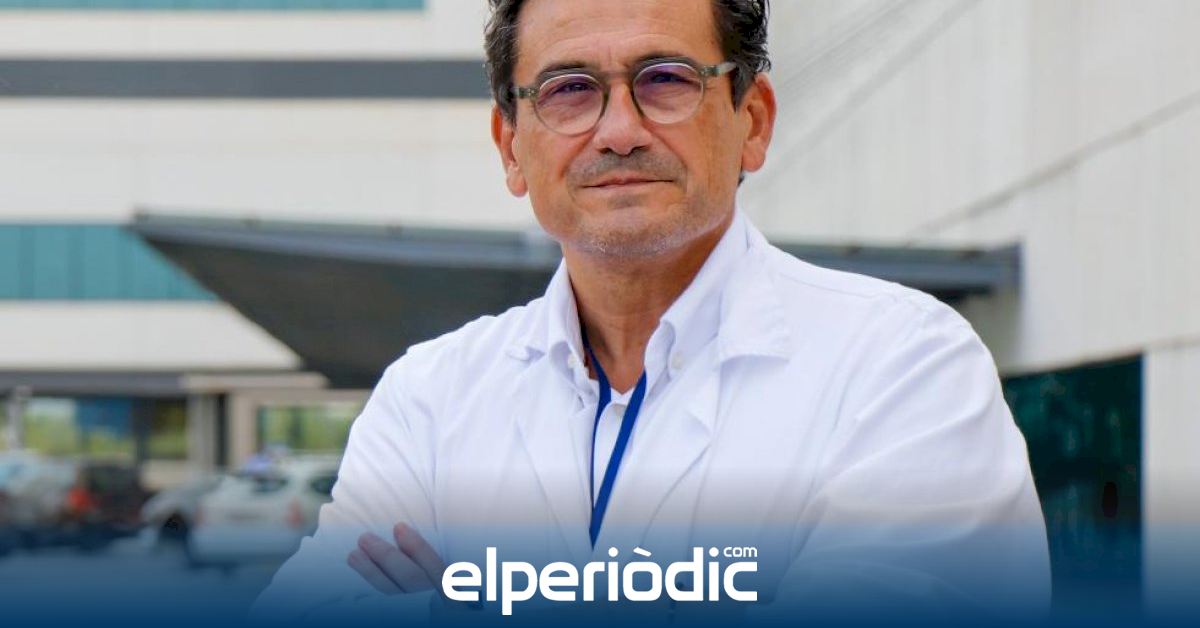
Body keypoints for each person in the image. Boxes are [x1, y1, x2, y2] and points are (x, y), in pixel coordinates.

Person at [250, 0, 1049, 624]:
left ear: (752, 122)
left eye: (665, 79)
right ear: (510, 146)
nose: (620, 130)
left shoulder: (904, 365)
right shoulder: (428, 397)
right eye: (569, 90)